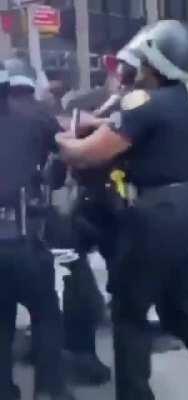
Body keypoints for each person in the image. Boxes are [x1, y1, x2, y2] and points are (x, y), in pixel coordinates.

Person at [56, 20, 188, 400]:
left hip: (160, 214)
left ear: (154, 64)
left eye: (141, 62)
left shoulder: (144, 103)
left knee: (129, 314)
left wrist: (58, 138)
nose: (135, 70)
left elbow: (86, 154)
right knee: (183, 309)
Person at [4, 58, 111, 386]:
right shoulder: (38, 117)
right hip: (30, 232)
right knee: (48, 307)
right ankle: (56, 382)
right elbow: (71, 155)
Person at [0, 62, 74, 400]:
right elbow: (61, 163)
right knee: (45, 313)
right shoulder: (37, 115)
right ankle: (49, 391)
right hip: (23, 238)